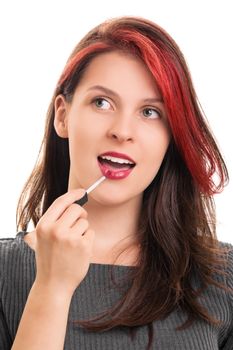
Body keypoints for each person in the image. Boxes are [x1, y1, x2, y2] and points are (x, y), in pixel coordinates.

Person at [0, 16, 232, 350]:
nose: (122, 131)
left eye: (150, 112)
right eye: (102, 103)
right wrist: (52, 287)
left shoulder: (224, 280)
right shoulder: (5, 274)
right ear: (63, 115)